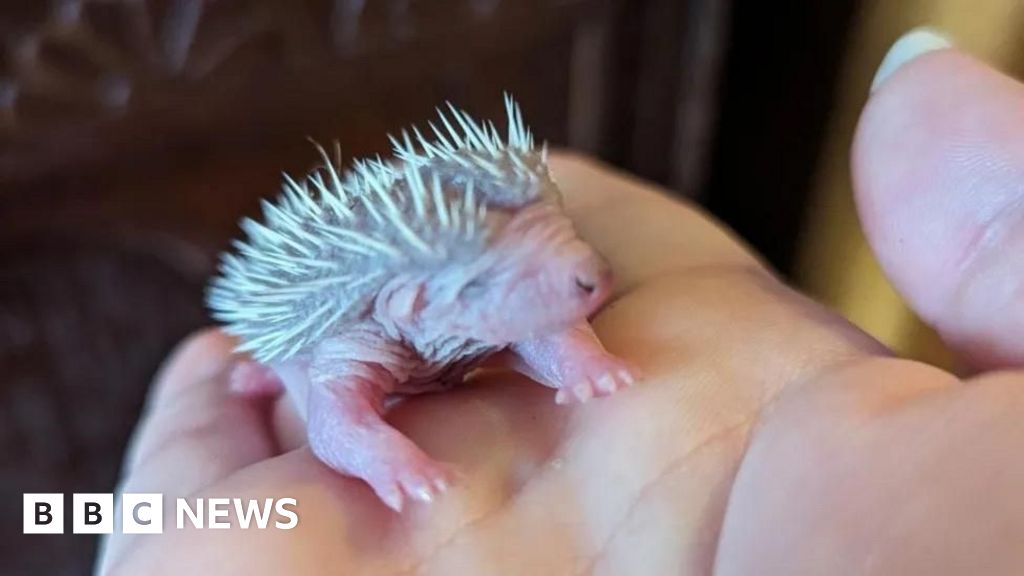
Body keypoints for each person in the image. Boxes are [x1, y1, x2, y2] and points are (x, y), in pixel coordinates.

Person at [98, 30, 1024, 574]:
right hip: (313, 323)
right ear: (419, 301)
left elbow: (544, 320)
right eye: (516, 276)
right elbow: (341, 425)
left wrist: (577, 353)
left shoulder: (489, 292)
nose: (586, 274)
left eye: (559, 238)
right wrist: (381, 456)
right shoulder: (357, 333)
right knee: (269, 376)